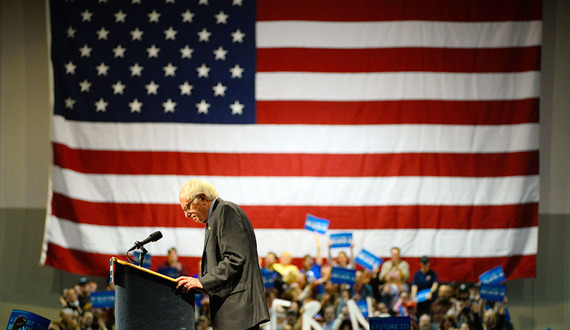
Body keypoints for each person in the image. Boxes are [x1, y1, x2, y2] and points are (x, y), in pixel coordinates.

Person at [175, 179, 270, 329]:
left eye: (187, 207)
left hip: (238, 312)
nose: (186, 215)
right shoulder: (214, 219)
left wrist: (203, 282)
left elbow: (235, 258)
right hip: (232, 312)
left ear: (202, 198)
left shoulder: (225, 211)